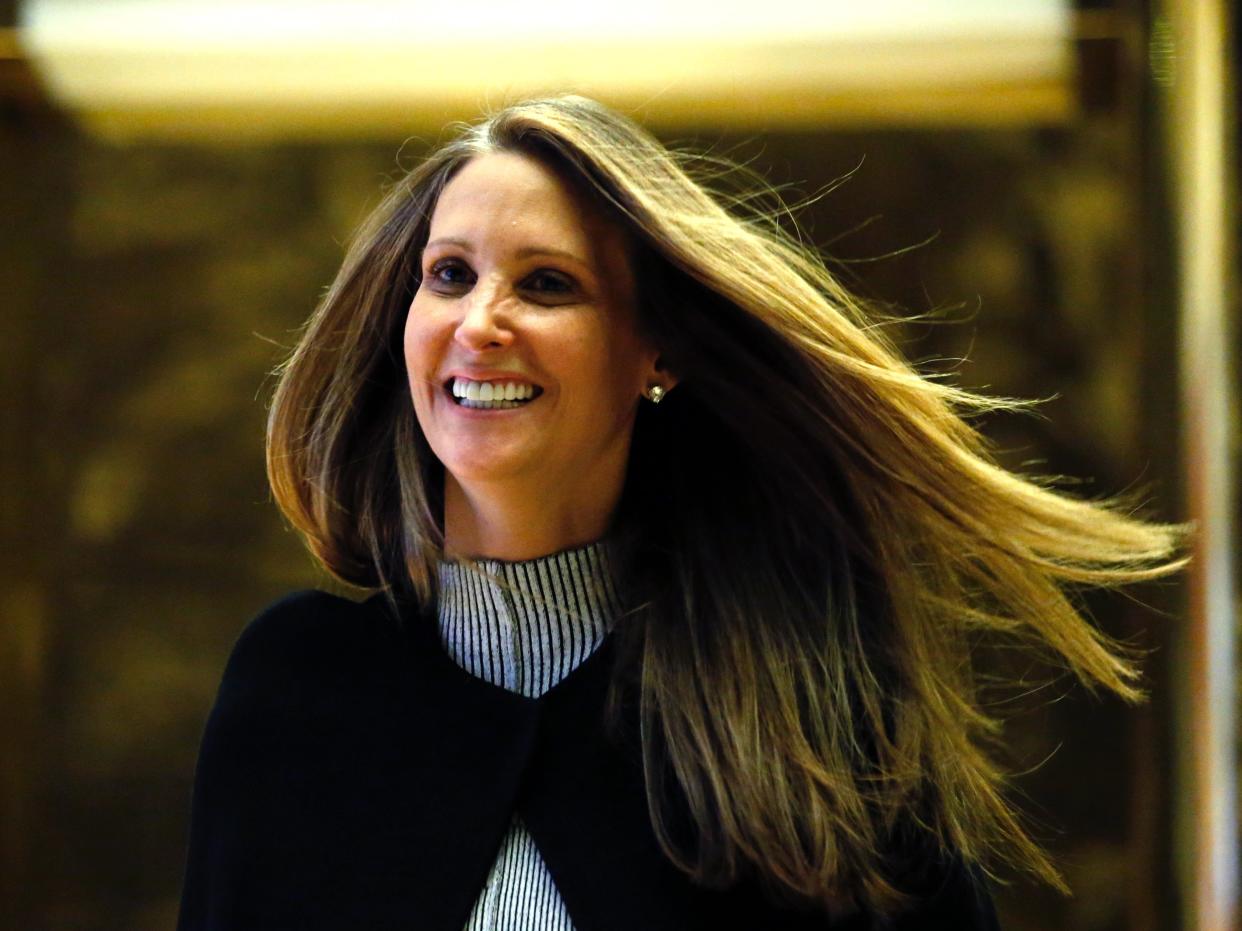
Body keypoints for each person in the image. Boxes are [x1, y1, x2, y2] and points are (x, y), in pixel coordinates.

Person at [176, 95, 1190, 930]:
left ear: (654, 353)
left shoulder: (800, 704)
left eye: (547, 284)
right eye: (450, 275)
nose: (481, 322)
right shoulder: (296, 692)